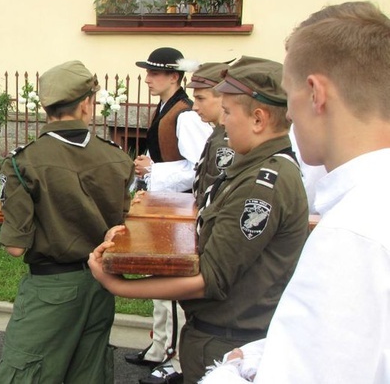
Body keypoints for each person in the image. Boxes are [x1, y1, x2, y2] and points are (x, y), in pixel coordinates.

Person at [199, 1, 390, 384]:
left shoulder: (350, 236)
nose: (289, 115)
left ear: (315, 93)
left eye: (289, 96)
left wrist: (231, 370)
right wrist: (262, 353)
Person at [88, 56, 310, 384]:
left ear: (259, 119)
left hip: (226, 341)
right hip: (219, 334)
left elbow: (210, 279)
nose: (223, 119)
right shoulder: (251, 169)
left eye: (229, 112)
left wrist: (117, 285)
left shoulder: (261, 184)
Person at [0, 60, 135, 383]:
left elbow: (15, 246)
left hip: (50, 290)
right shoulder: (116, 157)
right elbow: (123, 227)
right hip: (101, 286)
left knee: (24, 374)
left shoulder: (24, 162)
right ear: (86, 104)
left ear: (46, 107)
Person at [127, 47, 213, 384]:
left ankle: (174, 357)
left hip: (178, 208)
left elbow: (197, 169)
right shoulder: (167, 109)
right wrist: (145, 170)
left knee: (172, 283)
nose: (147, 78)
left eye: (154, 73)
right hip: (163, 204)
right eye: (147, 72)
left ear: (174, 77)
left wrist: (154, 170)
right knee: (159, 278)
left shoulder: (186, 115)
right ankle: (159, 346)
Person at [187, 61, 235, 207]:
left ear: (223, 97)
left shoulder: (226, 141)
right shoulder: (218, 134)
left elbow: (218, 198)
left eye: (201, 99)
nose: (194, 107)